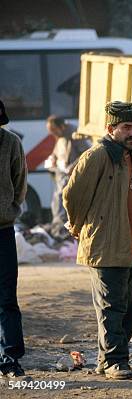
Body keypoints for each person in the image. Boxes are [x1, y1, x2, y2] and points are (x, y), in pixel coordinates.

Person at [63, 101, 132, 380]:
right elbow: (72, 195)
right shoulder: (98, 155)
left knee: (130, 309)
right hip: (106, 246)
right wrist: (78, 227)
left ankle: (106, 360)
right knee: (111, 309)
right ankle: (115, 362)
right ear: (111, 128)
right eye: (126, 127)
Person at [0, 99, 28, 378]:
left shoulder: (10, 143)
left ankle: (10, 358)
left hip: (2, 229)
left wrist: (9, 210)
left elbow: (20, 183)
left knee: (7, 298)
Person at [44, 115, 90, 236]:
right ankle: (58, 230)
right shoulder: (60, 136)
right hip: (61, 174)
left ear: (62, 126)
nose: (52, 134)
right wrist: (52, 159)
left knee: (64, 203)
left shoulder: (74, 135)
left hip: (72, 177)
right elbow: (56, 151)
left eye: (54, 130)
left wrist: (73, 167)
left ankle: (63, 232)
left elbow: (86, 154)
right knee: (57, 203)